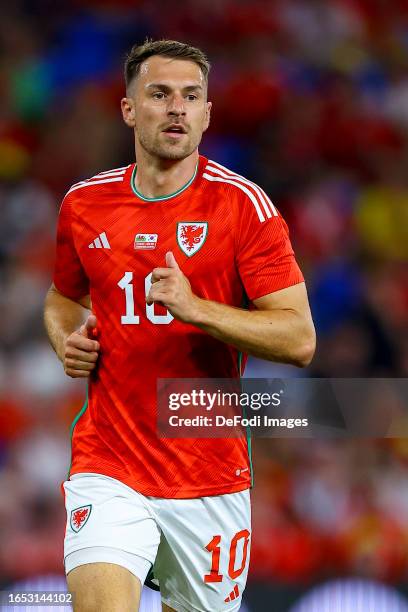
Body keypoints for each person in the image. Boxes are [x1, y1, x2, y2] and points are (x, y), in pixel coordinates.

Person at [44, 39, 315, 612]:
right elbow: (61, 298)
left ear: (208, 113)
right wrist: (66, 340)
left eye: (191, 97)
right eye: (160, 94)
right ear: (128, 109)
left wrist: (199, 310)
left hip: (209, 476)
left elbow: (300, 339)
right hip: (108, 463)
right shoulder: (83, 206)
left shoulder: (244, 207)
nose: (177, 109)